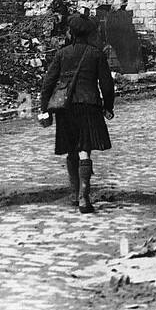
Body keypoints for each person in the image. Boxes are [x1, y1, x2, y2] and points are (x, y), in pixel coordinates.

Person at [39, 14, 115, 214]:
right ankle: (84, 196)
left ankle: (75, 193)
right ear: (89, 34)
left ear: (70, 33)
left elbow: (48, 83)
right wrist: (108, 106)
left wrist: (44, 108)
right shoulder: (96, 54)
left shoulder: (62, 54)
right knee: (85, 149)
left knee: (71, 149)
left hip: (66, 108)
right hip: (89, 106)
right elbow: (107, 85)